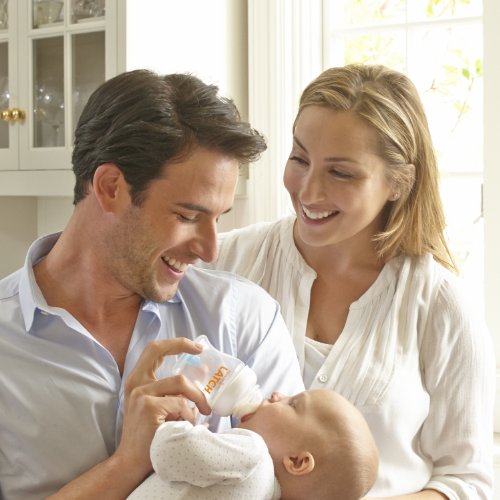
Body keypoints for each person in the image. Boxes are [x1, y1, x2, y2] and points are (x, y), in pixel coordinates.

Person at [0, 69, 305, 500]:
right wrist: (128, 464)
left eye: (218, 218)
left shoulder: (244, 318)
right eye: (187, 216)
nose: (209, 250)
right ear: (110, 187)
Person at [199, 64, 495, 499]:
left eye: (341, 173)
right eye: (300, 159)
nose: (308, 191)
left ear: (398, 183)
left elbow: (469, 482)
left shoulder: (440, 305)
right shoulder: (220, 262)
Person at [128, 388, 379, 500]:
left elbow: (166, 450)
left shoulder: (253, 454)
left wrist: (181, 425)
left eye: (292, 404)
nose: (277, 395)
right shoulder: (262, 491)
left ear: (297, 461)